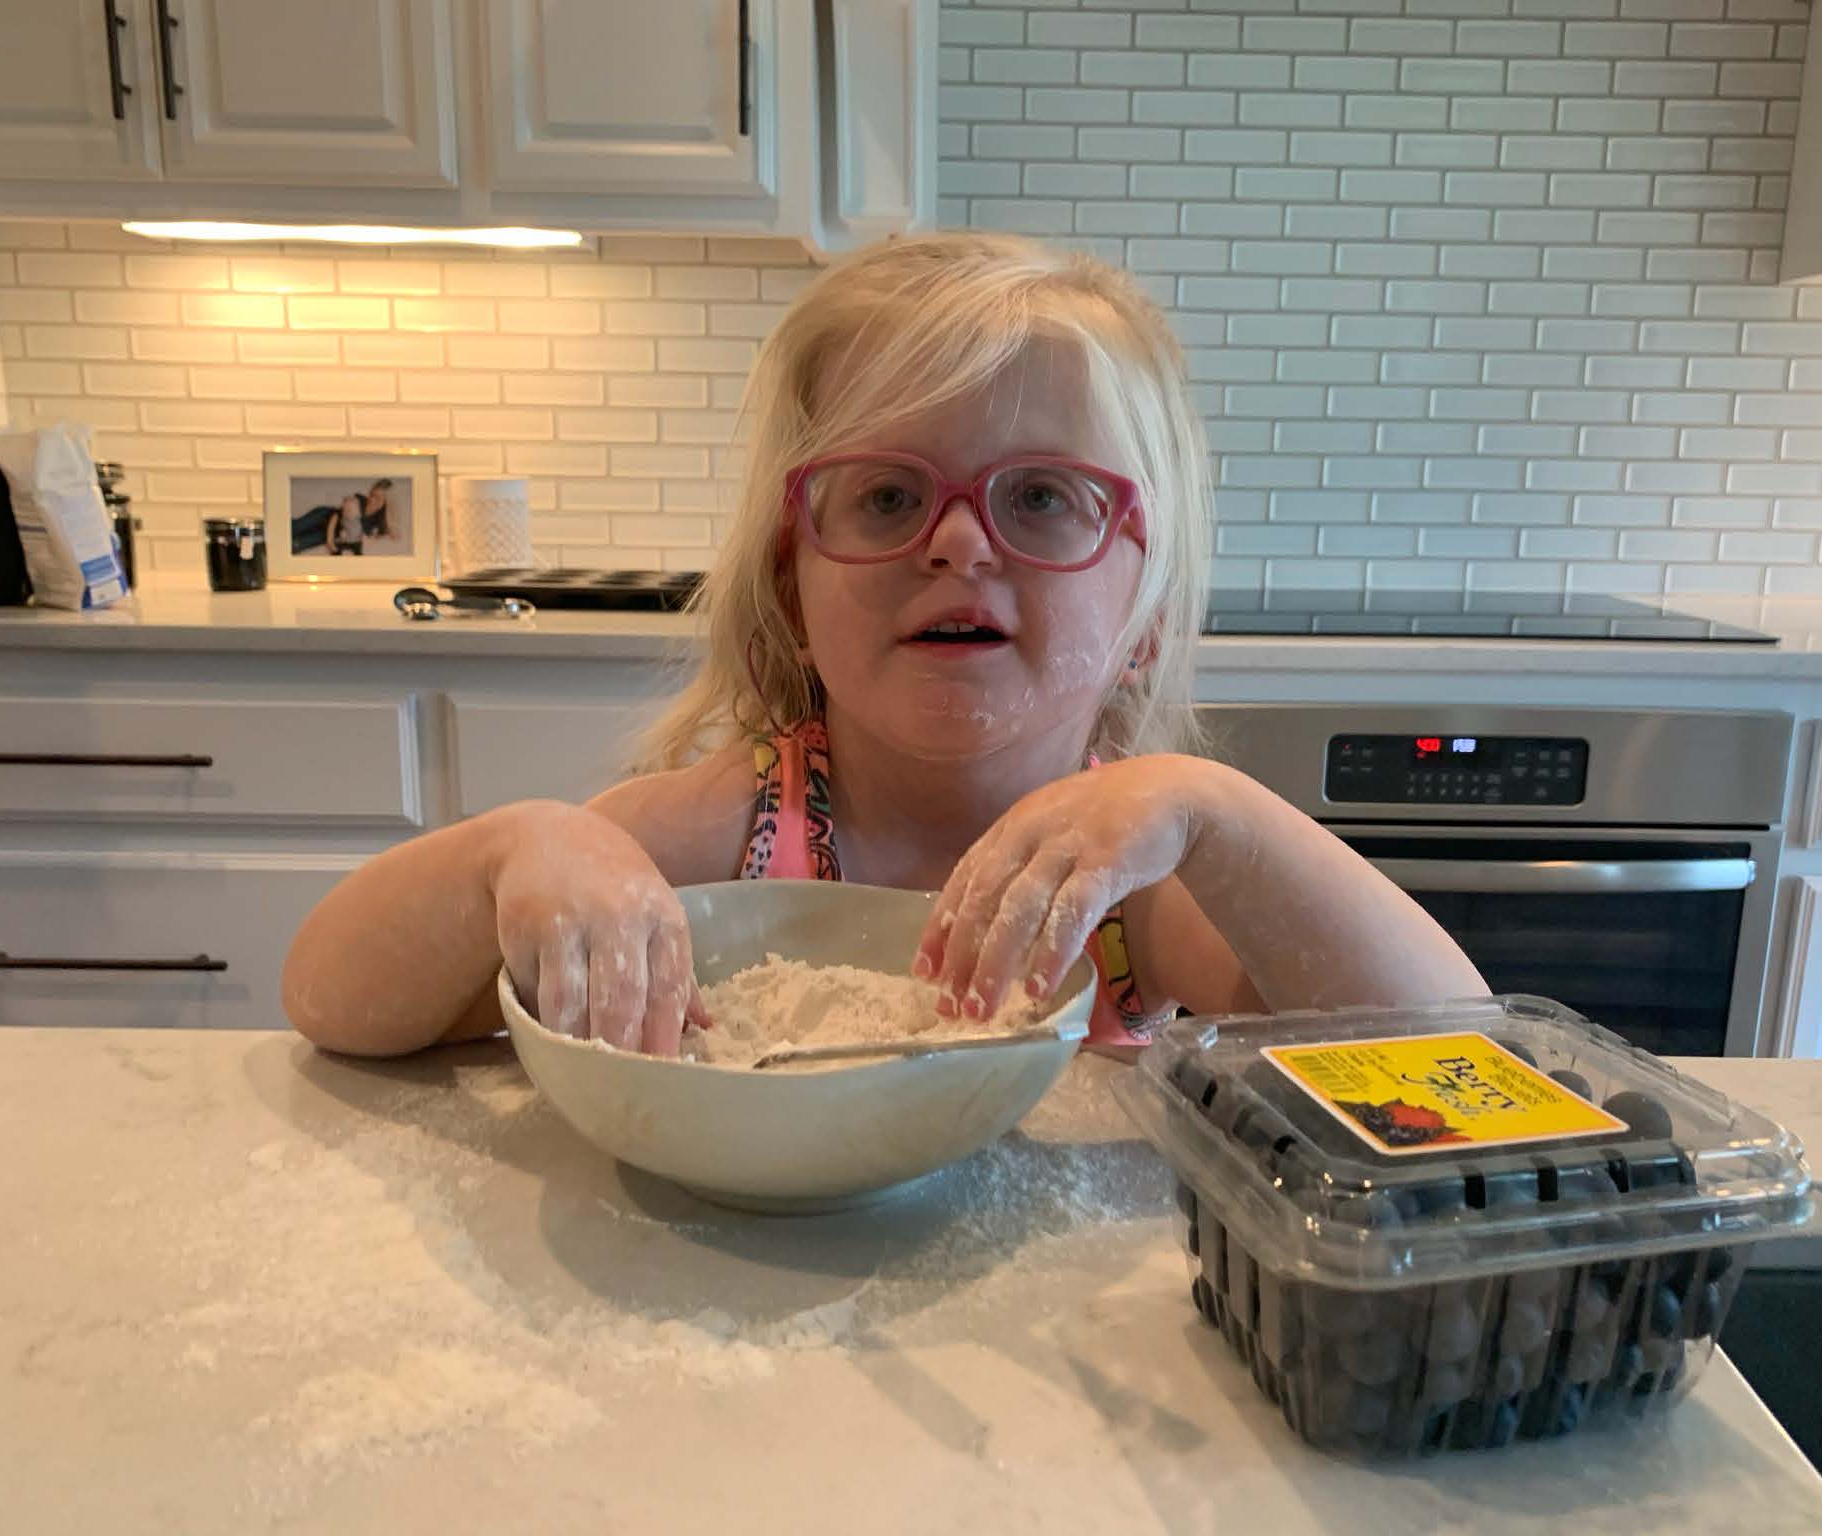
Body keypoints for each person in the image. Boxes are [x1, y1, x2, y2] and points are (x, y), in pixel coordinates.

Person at [281, 232, 1484, 1059]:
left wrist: (1213, 812)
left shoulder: (1136, 896)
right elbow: (328, 998)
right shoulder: (714, 845)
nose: (960, 543)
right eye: (886, 498)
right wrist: (513, 849)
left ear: (1144, 618)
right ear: (789, 588)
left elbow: (1445, 1053)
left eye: (1042, 500)